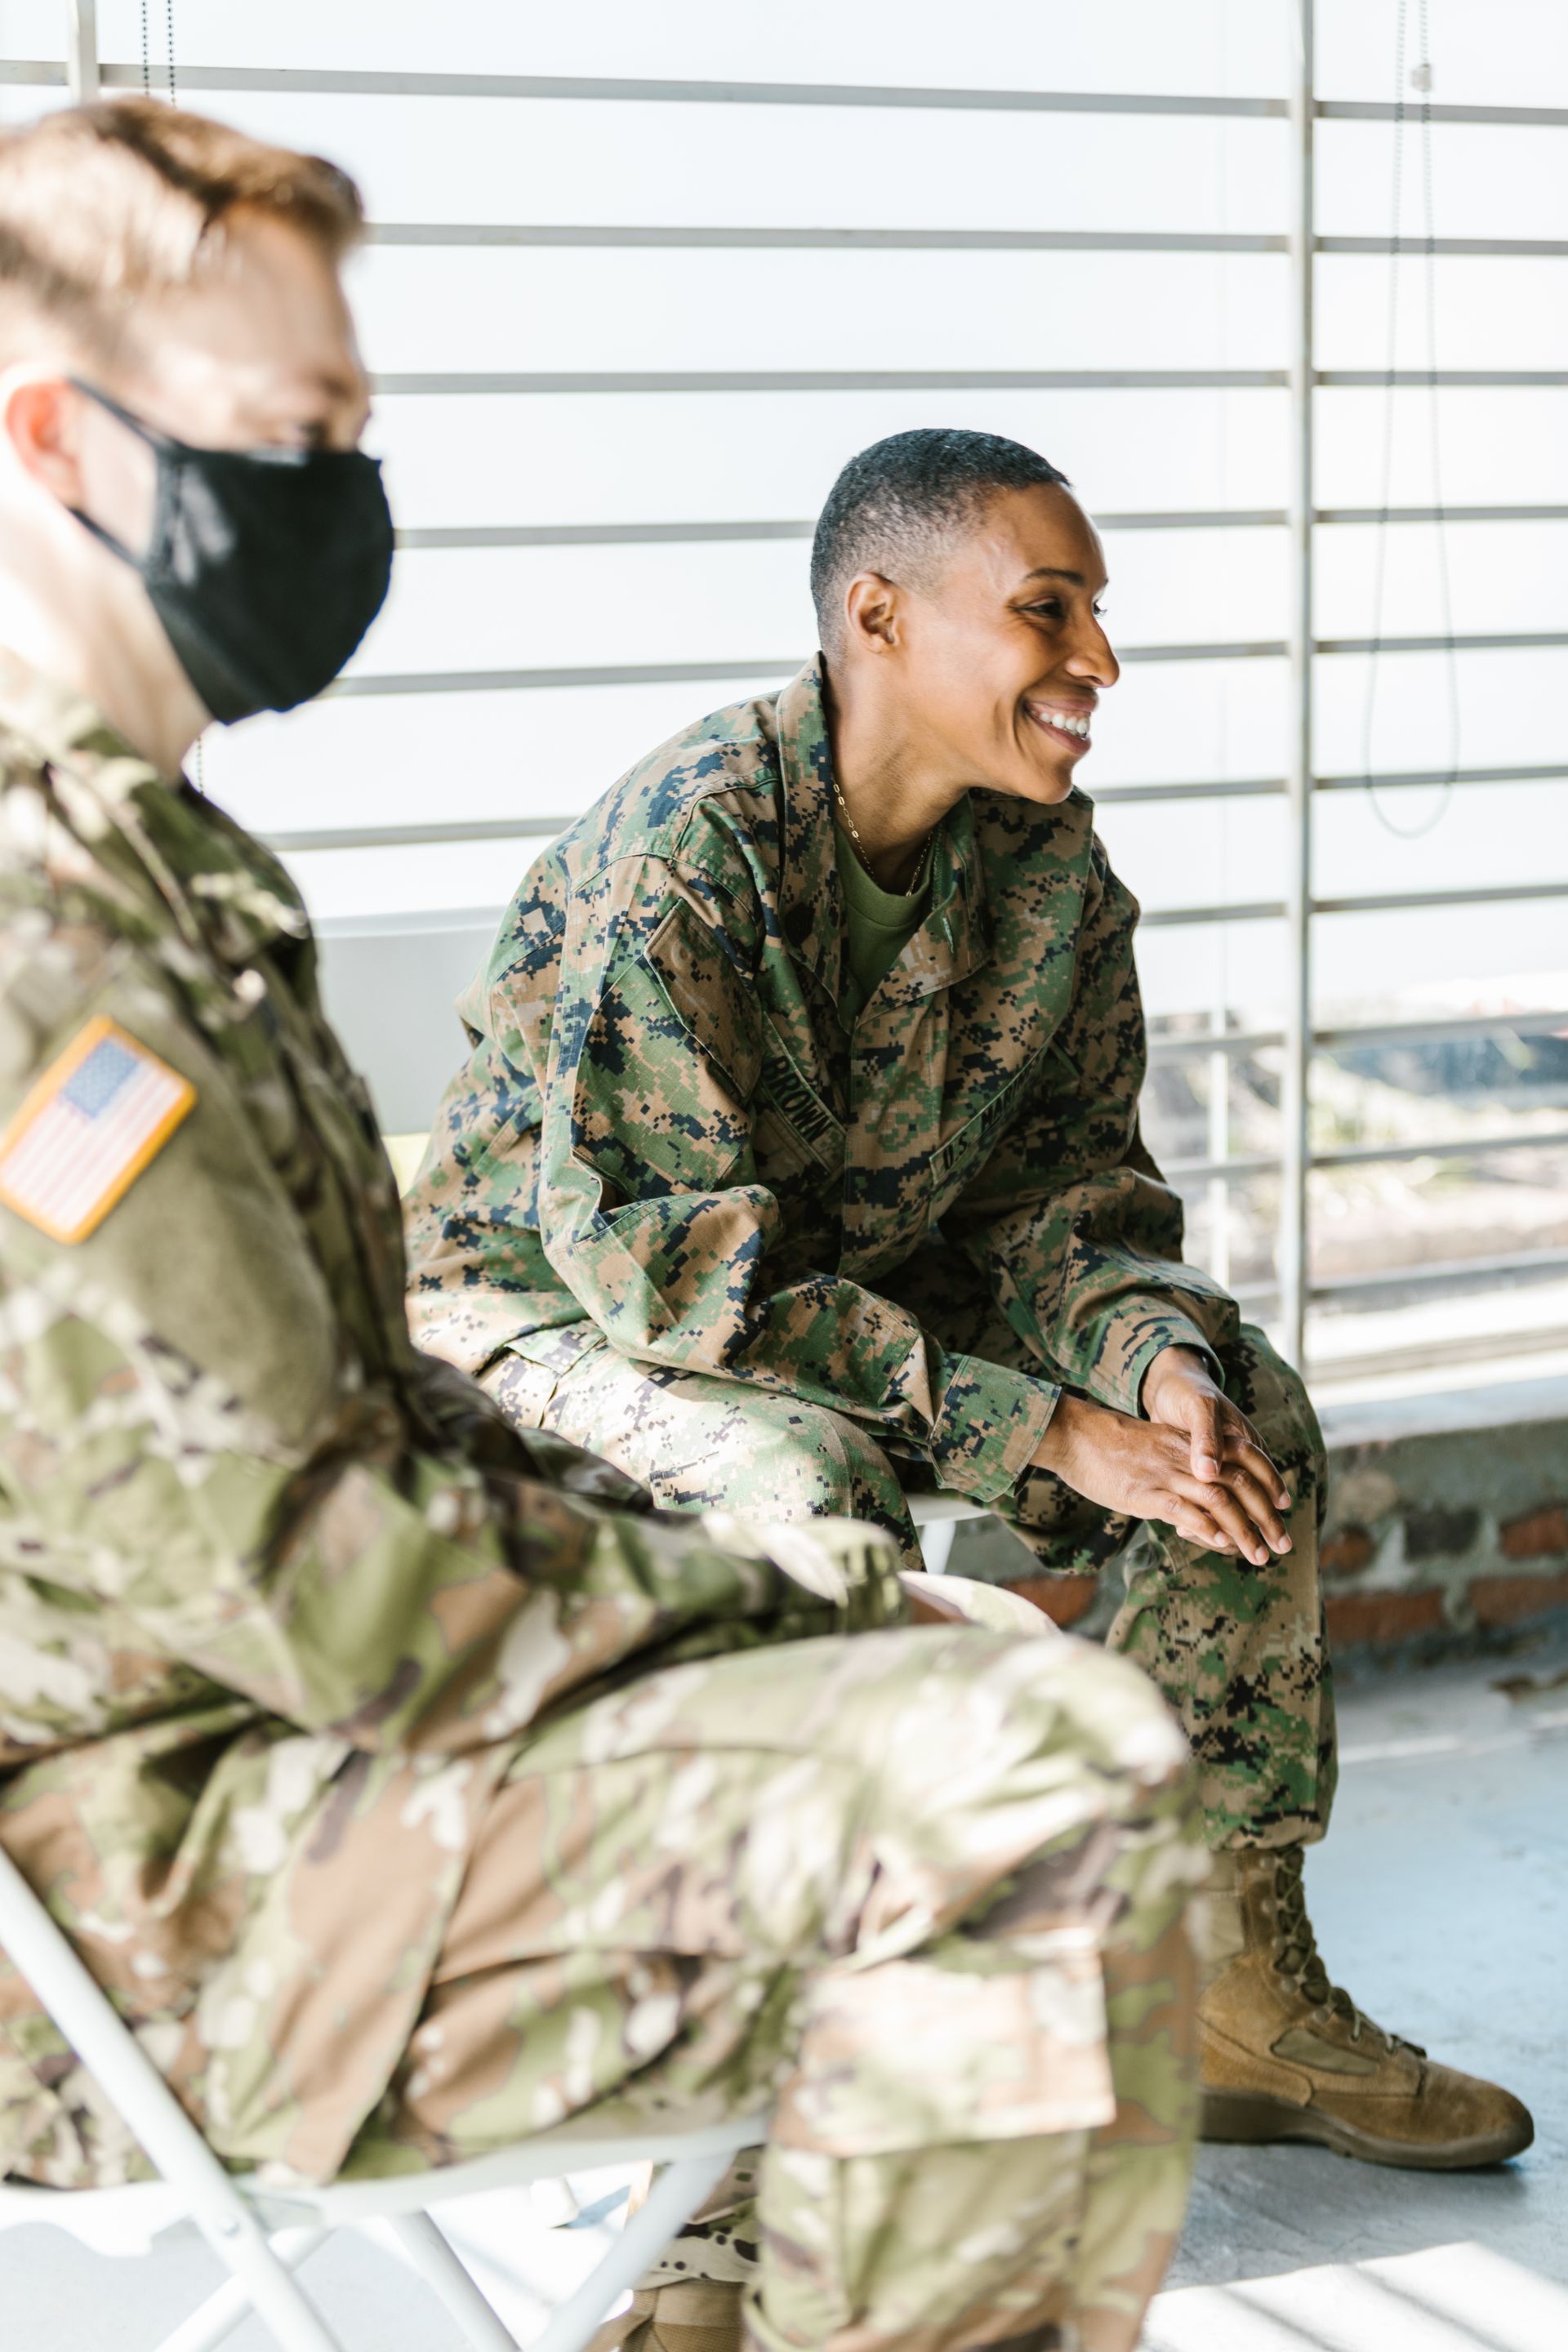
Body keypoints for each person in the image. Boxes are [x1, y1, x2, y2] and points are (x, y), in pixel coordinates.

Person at [0, 100, 1209, 2352]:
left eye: (354, 430)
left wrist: (862, 1577)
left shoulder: (162, 881)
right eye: (287, 435)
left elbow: (359, 1443)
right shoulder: (49, 945)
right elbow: (325, 1570)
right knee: (1026, 1806)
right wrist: (793, 1598)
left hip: (277, 1759)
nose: (340, 496)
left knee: (1012, 1717)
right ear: (63, 437)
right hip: (153, 1875)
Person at [408, 426, 1533, 2178]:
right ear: (879, 617)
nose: (1096, 660)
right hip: (553, 1315)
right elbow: (672, 1269)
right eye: (1045, 609)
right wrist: (1038, 1425)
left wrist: (1144, 1361)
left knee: (1246, 1414)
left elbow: (1066, 1194)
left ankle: (1219, 1981)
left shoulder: (1050, 871)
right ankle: (803, 2057)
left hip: (846, 1285)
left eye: (1094, 613)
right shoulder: (688, 857)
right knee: (807, 1495)